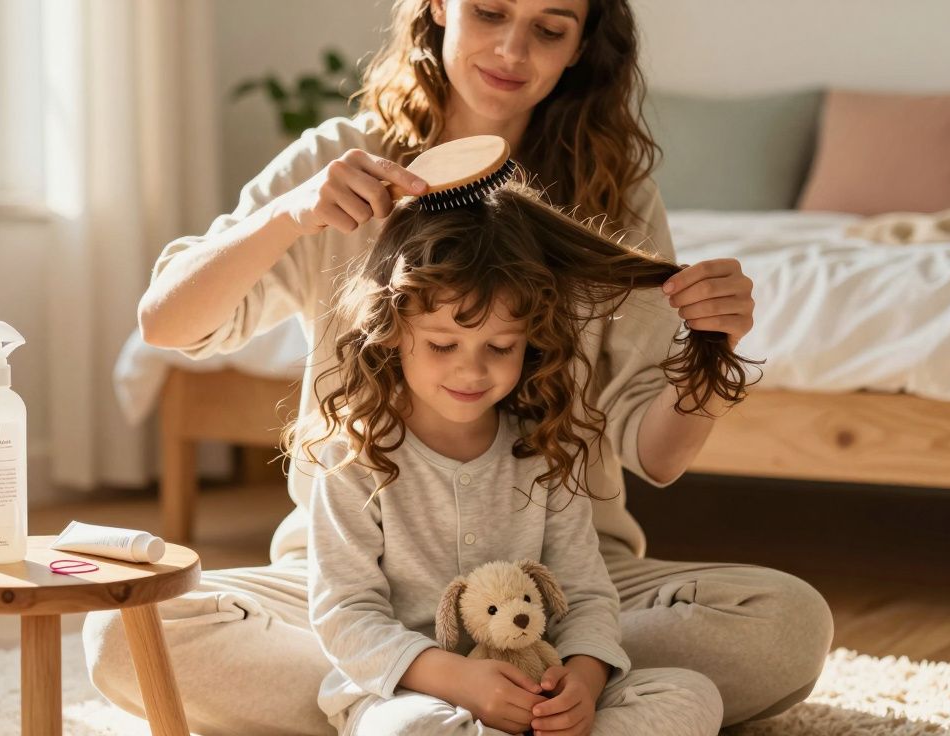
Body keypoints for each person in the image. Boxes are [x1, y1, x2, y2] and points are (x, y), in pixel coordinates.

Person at [83, 0, 833, 733]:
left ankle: (430, 704)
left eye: (550, 28)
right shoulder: (339, 161)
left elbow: (655, 456)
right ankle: (437, 695)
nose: (513, 51)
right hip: (357, 576)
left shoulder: (614, 189)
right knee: (125, 637)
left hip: (559, 587)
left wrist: (712, 351)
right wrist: (290, 214)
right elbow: (167, 323)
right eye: (491, 13)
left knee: (788, 623)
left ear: (581, 45)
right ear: (438, 7)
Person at [302, 179, 748, 735]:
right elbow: (346, 617)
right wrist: (461, 682)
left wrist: (582, 684)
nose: (472, 370)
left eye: (500, 346)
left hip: (541, 679)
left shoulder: (542, 449)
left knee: (690, 697)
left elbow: (585, 595)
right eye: (443, 345)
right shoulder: (354, 456)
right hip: (412, 694)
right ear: (391, 331)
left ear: (530, 343)